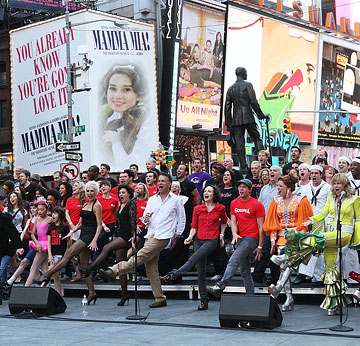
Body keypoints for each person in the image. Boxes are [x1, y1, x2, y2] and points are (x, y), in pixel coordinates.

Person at [100, 173, 186, 308]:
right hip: (151, 234)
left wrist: (177, 235)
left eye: (164, 181)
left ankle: (114, 270)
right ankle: (160, 297)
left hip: (164, 236)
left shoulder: (176, 200)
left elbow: (182, 219)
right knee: (151, 268)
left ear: (169, 184)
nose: (161, 183)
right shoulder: (152, 200)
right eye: (159, 181)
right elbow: (145, 220)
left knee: (140, 256)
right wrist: (146, 218)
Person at [293, 174, 360, 315]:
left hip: (345, 234)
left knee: (315, 238)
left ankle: (292, 258)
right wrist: (311, 220)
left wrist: (357, 240)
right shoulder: (330, 198)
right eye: (334, 183)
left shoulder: (355, 199)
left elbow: (359, 219)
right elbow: (323, 214)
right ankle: (334, 302)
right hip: (331, 233)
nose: (336, 186)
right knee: (330, 268)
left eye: (339, 183)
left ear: (345, 185)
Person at [161, 186, 227, 310]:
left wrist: (222, 234)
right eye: (205, 191)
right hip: (199, 239)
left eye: (209, 191)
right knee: (200, 271)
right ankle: (203, 300)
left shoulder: (220, 208)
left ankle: (173, 274)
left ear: (214, 195)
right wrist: (190, 237)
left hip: (212, 239)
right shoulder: (197, 209)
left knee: (193, 259)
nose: (206, 193)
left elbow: (224, 221)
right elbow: (194, 226)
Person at [36, 181, 102, 305]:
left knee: (68, 254)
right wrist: (72, 231)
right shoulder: (86, 203)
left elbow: (99, 225)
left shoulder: (97, 205)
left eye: (92, 191)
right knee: (83, 266)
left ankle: (47, 274)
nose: (90, 193)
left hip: (90, 235)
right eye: (88, 191)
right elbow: (80, 223)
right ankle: (92, 293)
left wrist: (94, 240)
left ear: (96, 192)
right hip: (83, 233)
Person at [263, 174, 313, 312]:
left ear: (289, 187)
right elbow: (272, 221)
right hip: (280, 237)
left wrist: (300, 234)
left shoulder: (301, 200)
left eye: (280, 186)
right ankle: (289, 298)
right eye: (278, 185)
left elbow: (309, 219)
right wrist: (273, 238)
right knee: (284, 268)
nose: (278, 188)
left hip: (296, 236)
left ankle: (279, 287)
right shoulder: (276, 200)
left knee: (289, 262)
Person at [207, 179, 265, 297]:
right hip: (239, 237)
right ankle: (250, 296)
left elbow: (261, 227)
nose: (241, 189)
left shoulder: (257, 204)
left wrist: (260, 245)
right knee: (245, 270)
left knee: (233, 260)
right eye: (239, 187)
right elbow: (233, 221)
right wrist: (234, 234)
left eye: (244, 187)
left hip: (251, 237)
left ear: (250, 189)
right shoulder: (234, 203)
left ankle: (221, 286)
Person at [80, 184, 134, 306]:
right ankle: (125, 294)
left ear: (129, 194)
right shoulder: (120, 205)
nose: (121, 195)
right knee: (121, 266)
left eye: (123, 193)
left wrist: (133, 237)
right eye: (120, 193)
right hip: (119, 234)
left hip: (126, 237)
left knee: (106, 247)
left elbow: (132, 222)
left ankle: (90, 268)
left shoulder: (131, 205)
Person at [100, 65, 150, 164]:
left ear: (139, 95)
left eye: (126, 89)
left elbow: (134, 165)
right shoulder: (114, 117)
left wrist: (116, 141)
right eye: (113, 88)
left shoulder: (146, 122)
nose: (118, 96)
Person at [225, 67, 267, 170]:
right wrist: (261, 115)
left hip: (236, 121)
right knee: (257, 138)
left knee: (239, 143)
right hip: (248, 117)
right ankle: (261, 163)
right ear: (243, 74)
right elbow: (253, 102)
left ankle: (243, 166)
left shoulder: (231, 89)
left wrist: (229, 123)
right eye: (246, 73)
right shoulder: (248, 85)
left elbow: (227, 107)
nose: (246, 75)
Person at [253, 165, 282, 286]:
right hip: (264, 223)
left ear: (279, 174)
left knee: (271, 250)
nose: (271, 172)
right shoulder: (264, 188)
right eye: (270, 170)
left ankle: (268, 277)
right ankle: (261, 276)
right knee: (265, 249)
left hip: (276, 223)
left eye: (274, 170)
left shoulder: (281, 188)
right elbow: (259, 205)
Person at [25, 200, 53, 286]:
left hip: (45, 244)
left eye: (42, 209)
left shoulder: (49, 219)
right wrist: (37, 243)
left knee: (33, 267)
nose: (40, 211)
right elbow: (33, 234)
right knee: (44, 268)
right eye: (39, 209)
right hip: (39, 244)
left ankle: (26, 288)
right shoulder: (37, 219)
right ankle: (46, 288)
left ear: (47, 210)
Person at [0, 211, 24, 303]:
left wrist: (19, 246)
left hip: (6, 249)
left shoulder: (4, 218)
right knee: (2, 270)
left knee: (2, 269)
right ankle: (4, 290)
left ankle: (4, 290)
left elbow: (13, 233)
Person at [47, 207, 70, 295]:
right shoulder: (51, 227)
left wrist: (67, 254)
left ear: (60, 215)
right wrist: (49, 255)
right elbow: (49, 241)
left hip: (61, 253)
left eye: (55, 213)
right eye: (52, 213)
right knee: (55, 276)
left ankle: (42, 286)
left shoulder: (64, 227)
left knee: (50, 271)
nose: (53, 215)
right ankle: (59, 294)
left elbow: (68, 242)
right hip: (53, 253)